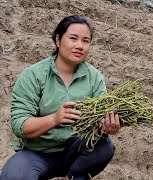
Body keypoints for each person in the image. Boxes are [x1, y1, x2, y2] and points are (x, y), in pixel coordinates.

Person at [0, 15, 121, 180]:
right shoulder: (33, 75)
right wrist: (55, 119)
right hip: (37, 153)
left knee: (104, 146)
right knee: (14, 176)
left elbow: (97, 124)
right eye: (73, 38)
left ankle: (73, 177)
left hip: (74, 151)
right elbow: (19, 125)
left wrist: (106, 127)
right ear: (58, 40)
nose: (79, 45)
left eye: (85, 41)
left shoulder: (95, 78)